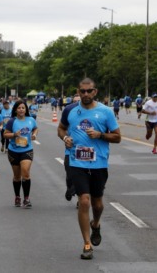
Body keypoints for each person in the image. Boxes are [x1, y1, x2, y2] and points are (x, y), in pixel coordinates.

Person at [57, 78, 121, 260]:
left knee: (97, 204)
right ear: (78, 91)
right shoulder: (70, 110)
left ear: (95, 92)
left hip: (99, 164)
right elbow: (61, 129)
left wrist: (100, 135)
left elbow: (118, 137)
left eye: (88, 91)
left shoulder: (106, 112)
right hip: (77, 163)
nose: (85, 94)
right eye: (82, 91)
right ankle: (86, 243)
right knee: (84, 201)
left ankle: (96, 223)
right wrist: (65, 139)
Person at [4, 100, 38, 208]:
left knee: (25, 173)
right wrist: (14, 134)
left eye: (23, 108)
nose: (21, 110)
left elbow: (36, 128)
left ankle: (26, 198)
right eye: (19, 108)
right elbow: (5, 135)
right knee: (17, 176)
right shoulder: (11, 121)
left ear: (26, 109)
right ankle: (17, 196)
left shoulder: (31, 119)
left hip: (27, 150)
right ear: (15, 110)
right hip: (13, 151)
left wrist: (34, 134)